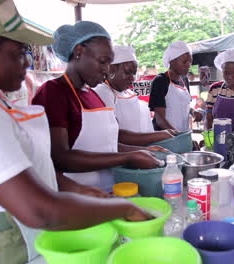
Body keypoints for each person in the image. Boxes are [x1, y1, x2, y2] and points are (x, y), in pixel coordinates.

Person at [0, 1, 151, 263]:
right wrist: (122, 208)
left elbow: (27, 167)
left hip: (24, 236)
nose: (26, 63)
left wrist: (78, 189)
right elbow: (39, 210)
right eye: (18, 53)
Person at [33, 22, 163, 193]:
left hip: (111, 191)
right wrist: (128, 157)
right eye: (103, 61)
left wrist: (143, 151)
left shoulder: (93, 95)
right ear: (79, 52)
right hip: (77, 197)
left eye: (109, 63)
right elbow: (59, 157)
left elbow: (107, 146)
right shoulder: (54, 92)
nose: (107, 70)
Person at [94, 45, 176, 140]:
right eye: (127, 72)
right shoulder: (102, 93)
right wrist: (157, 136)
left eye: (133, 73)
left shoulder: (129, 93)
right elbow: (115, 136)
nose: (132, 78)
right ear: (112, 69)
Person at [149, 40, 202, 131]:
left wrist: (193, 111)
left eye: (190, 61)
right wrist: (179, 137)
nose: (188, 65)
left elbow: (181, 105)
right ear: (172, 61)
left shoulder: (184, 80)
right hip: (166, 139)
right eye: (184, 62)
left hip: (183, 134)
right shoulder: (160, 81)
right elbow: (160, 119)